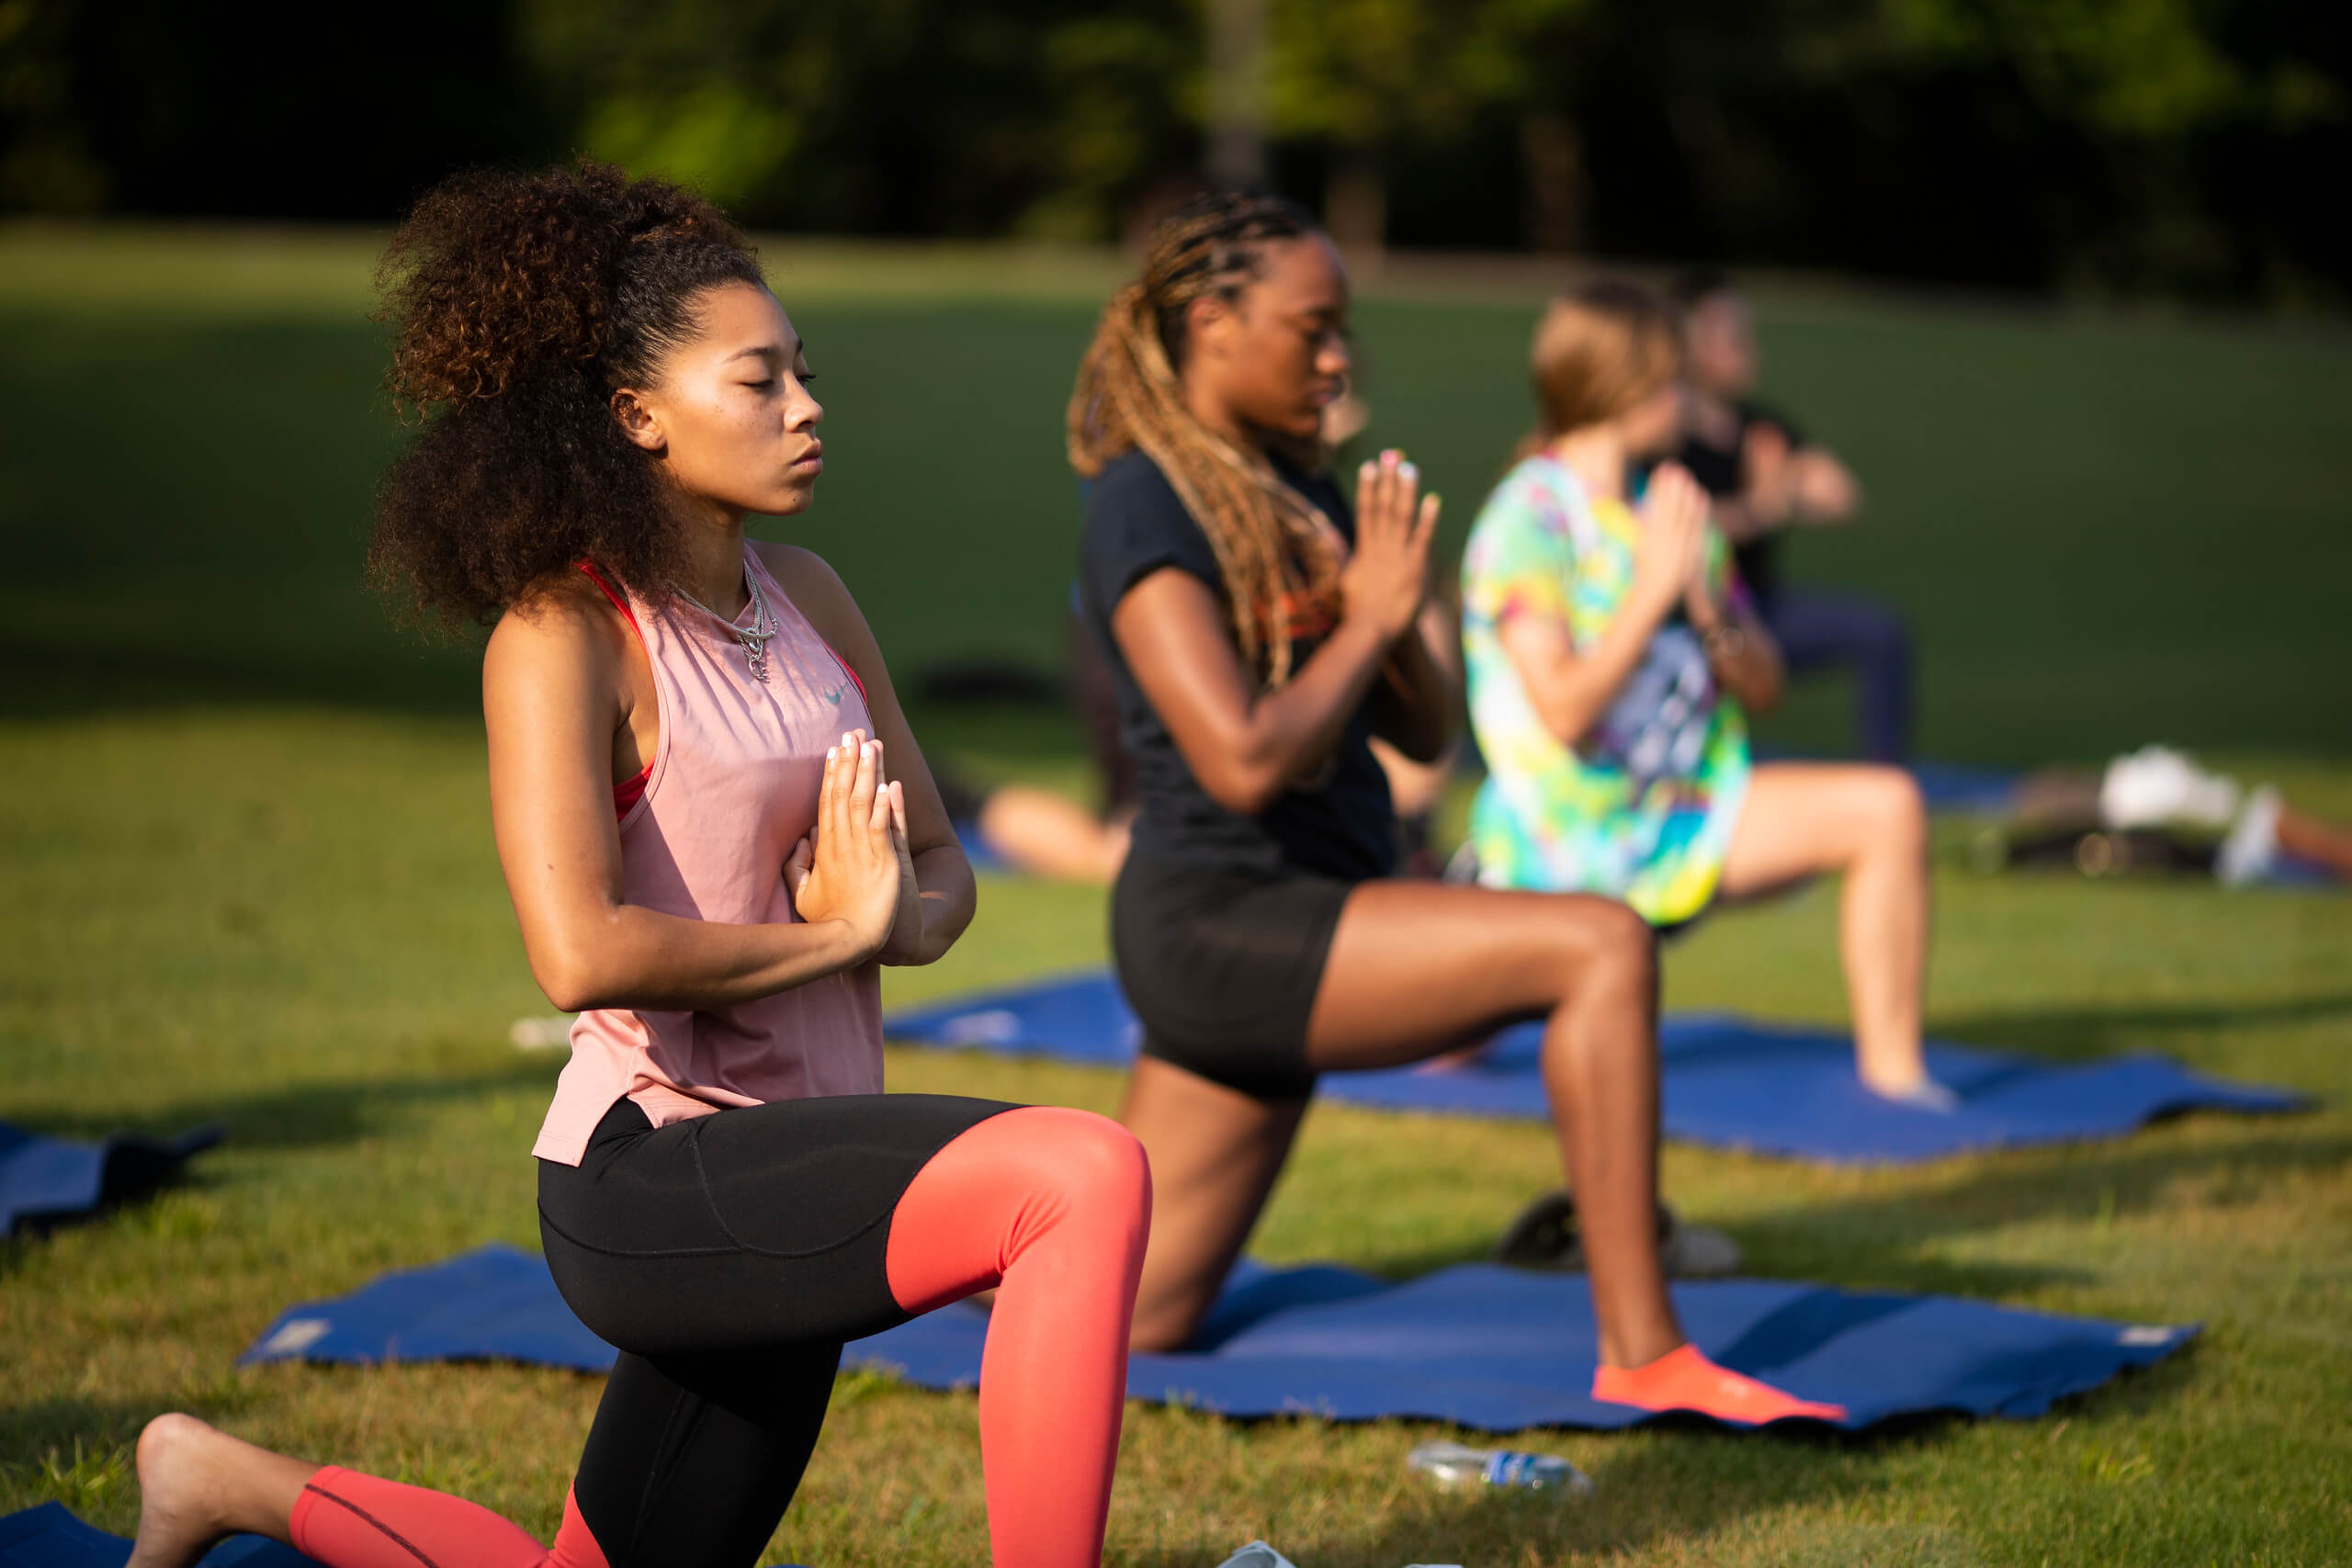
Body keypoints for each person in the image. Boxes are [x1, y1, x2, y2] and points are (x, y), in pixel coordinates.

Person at [124, 164, 1149, 1568]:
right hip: (659, 1167)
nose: (807, 405)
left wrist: (897, 916)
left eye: (806, 371)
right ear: (637, 417)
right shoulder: (562, 635)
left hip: (804, 1152)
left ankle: (217, 1476)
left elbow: (941, 865)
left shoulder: (815, 599)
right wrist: (838, 936)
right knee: (1077, 1172)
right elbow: (578, 951)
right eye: (760, 379)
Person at [1071, 190, 1838, 1423]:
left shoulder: (1296, 486)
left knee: (1139, 1314)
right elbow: (1243, 763)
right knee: (1599, 942)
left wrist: (1394, 609)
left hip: (1296, 916)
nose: (1339, 359)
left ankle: (915, 1263)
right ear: (1213, 322)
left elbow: (1425, 728)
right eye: (1312, 328)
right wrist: (1366, 617)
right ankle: (1644, 1346)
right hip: (1231, 926)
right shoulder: (1144, 506)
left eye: (1344, 331)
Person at [1461, 280, 1946, 1106]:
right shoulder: (1527, 522)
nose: (1688, 395)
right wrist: (1651, 592)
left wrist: (1705, 605)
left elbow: (1764, 687)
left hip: (1687, 816)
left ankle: (1897, 1082)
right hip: (1560, 849)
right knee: (1434, 1049)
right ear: (1623, 384)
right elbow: (1567, 713)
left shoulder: (1671, 507)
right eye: (1672, 377)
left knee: (1888, 806)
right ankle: (1462, 918)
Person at [1675, 269, 1912, 764]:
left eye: (1746, 336)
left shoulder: (1761, 425)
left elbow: (1841, 495)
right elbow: (1682, 523)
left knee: (1882, 633)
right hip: (1687, 621)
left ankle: (1886, 776)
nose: (1747, 350)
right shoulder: (1668, 432)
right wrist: (1764, 503)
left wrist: (1787, 485)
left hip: (1761, 609)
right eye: (1731, 337)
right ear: (1688, 341)